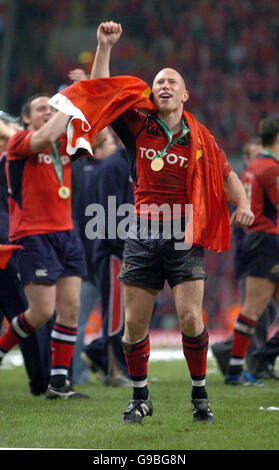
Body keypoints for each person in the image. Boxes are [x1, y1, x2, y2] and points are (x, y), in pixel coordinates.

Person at [50, 21, 254, 423]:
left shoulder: (202, 138)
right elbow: (100, 94)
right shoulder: (137, 125)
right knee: (133, 326)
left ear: (184, 94)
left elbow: (227, 174)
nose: (163, 86)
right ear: (152, 90)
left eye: (171, 82)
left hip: (182, 233)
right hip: (141, 233)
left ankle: (200, 398)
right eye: (158, 81)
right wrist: (103, 46)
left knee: (192, 318)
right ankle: (140, 397)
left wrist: (243, 203)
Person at [0, 93, 89, 399]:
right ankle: (1, 348)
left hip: (67, 234)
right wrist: (69, 101)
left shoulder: (63, 143)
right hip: (33, 235)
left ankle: (59, 384)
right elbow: (49, 134)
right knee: (40, 312)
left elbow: (96, 124)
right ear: (25, 118)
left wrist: (87, 85)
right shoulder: (19, 143)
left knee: (71, 310)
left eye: (53, 108)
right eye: (42, 109)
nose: (50, 112)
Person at [212, 137, 279, 380]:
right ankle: (245, 366)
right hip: (260, 251)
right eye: (252, 154)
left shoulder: (250, 179)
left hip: (259, 249)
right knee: (256, 313)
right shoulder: (261, 175)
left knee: (260, 313)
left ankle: (255, 361)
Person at [0, 120, 53, 396]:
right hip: (9, 248)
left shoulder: (16, 158)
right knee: (27, 312)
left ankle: (41, 380)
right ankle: (41, 380)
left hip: (10, 250)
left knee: (28, 314)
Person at [81, 136, 134, 387]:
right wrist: (122, 247)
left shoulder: (128, 162)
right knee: (116, 315)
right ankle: (115, 372)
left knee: (127, 313)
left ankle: (104, 358)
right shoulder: (115, 165)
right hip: (116, 252)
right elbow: (108, 211)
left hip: (128, 249)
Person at [71, 126, 119, 385]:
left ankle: (102, 365)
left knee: (114, 317)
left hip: (103, 254)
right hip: (91, 257)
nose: (115, 145)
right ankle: (79, 375)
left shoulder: (110, 170)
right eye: (111, 140)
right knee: (79, 319)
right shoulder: (81, 169)